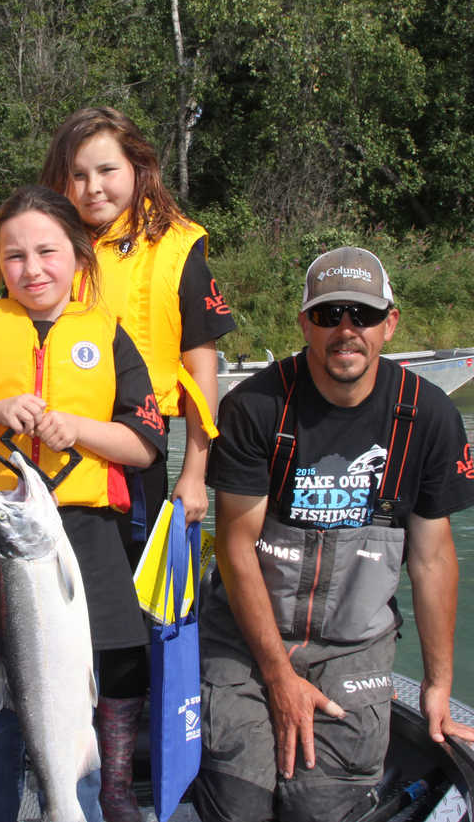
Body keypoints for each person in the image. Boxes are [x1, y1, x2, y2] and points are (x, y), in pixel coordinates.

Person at [194, 247, 474, 822]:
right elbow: (236, 548)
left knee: (318, 809)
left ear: (389, 323)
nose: (346, 331)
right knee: (238, 806)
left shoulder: (430, 417)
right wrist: (277, 676)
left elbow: (433, 561)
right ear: (305, 324)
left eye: (362, 315)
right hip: (245, 643)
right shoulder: (253, 408)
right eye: (328, 315)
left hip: (354, 647)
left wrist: (438, 685)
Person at [0, 185, 167, 822]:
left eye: (47, 252)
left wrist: (76, 427)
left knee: (80, 711)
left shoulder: (109, 336)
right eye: (15, 256)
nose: (32, 270)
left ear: (80, 257)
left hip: (83, 543)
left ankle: (75, 804)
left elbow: (144, 443)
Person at [40, 105, 235, 820]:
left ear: (138, 169)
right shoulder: (46, 244)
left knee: (125, 622)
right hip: (54, 462)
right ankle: (64, 765)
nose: (93, 188)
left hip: (139, 461)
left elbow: (199, 367)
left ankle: (120, 780)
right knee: (58, 617)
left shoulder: (178, 248)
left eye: (107, 171)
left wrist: (195, 473)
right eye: (78, 175)